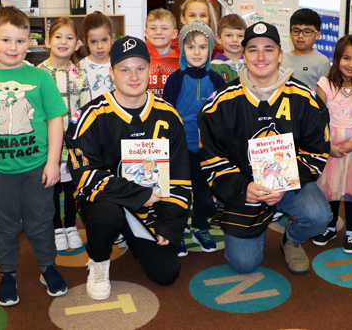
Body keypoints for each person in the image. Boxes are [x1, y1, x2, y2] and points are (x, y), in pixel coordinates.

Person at [198, 21, 331, 275]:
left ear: (280, 55)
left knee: (318, 215)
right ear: (244, 55)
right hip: (244, 188)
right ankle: (248, 216)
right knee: (244, 265)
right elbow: (211, 158)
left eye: (269, 49)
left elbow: (317, 152)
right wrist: (241, 188)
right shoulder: (220, 103)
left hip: (289, 185)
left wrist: (284, 185)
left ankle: (291, 238)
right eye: (253, 49)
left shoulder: (304, 98)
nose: (261, 57)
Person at [65, 36, 191, 301]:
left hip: (150, 208)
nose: (133, 76)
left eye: (140, 68)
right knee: (106, 213)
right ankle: (99, 260)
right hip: (106, 204)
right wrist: (136, 193)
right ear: (111, 73)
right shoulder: (90, 115)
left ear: (150, 70)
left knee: (167, 274)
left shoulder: (168, 115)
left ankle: (131, 235)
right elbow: (84, 176)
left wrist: (168, 226)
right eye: (124, 69)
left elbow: (180, 176)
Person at [0, 7, 68, 306]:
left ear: (30, 43)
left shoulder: (40, 78)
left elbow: (55, 120)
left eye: (21, 41)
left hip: (37, 169)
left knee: (41, 222)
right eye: (6, 40)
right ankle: (7, 272)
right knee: (4, 225)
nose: (13, 47)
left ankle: (48, 266)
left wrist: (52, 162)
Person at [162, 21, 226, 256]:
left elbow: (222, 115)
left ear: (210, 50)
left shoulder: (218, 81)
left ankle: (200, 227)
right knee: (178, 195)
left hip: (206, 150)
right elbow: (167, 114)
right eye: (191, 47)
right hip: (179, 149)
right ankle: (177, 231)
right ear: (182, 49)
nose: (197, 52)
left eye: (202, 47)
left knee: (205, 198)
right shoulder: (175, 80)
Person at [311, 35, 352, 253]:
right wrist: (327, 145)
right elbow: (316, 119)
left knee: (350, 192)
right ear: (337, 58)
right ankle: (330, 226)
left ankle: (350, 231)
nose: (351, 64)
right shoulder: (325, 84)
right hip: (330, 145)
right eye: (346, 58)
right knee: (330, 189)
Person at [36, 17, 90, 251]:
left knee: (71, 187)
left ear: (77, 44)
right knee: (51, 187)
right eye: (58, 36)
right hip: (47, 144)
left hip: (73, 143)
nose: (63, 42)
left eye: (69, 37)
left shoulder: (79, 74)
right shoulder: (37, 75)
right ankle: (56, 226)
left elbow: (87, 108)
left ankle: (70, 225)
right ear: (48, 41)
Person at [281, 8, 330, 91]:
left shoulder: (322, 62)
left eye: (307, 32)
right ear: (290, 33)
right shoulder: (281, 59)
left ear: (317, 35)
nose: (300, 35)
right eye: (296, 31)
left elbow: (325, 94)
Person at [79, 12, 115, 100]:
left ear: (112, 38)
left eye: (104, 40)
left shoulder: (118, 65)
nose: (100, 46)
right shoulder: (79, 67)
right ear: (86, 42)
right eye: (93, 42)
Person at [145, 9, 180, 97]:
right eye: (153, 28)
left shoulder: (182, 60)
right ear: (146, 33)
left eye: (164, 28)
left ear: (174, 33)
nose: (158, 32)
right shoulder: (140, 58)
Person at [210, 14, 247, 82]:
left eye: (240, 36)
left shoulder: (250, 64)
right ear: (219, 39)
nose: (235, 40)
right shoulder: (213, 67)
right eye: (229, 35)